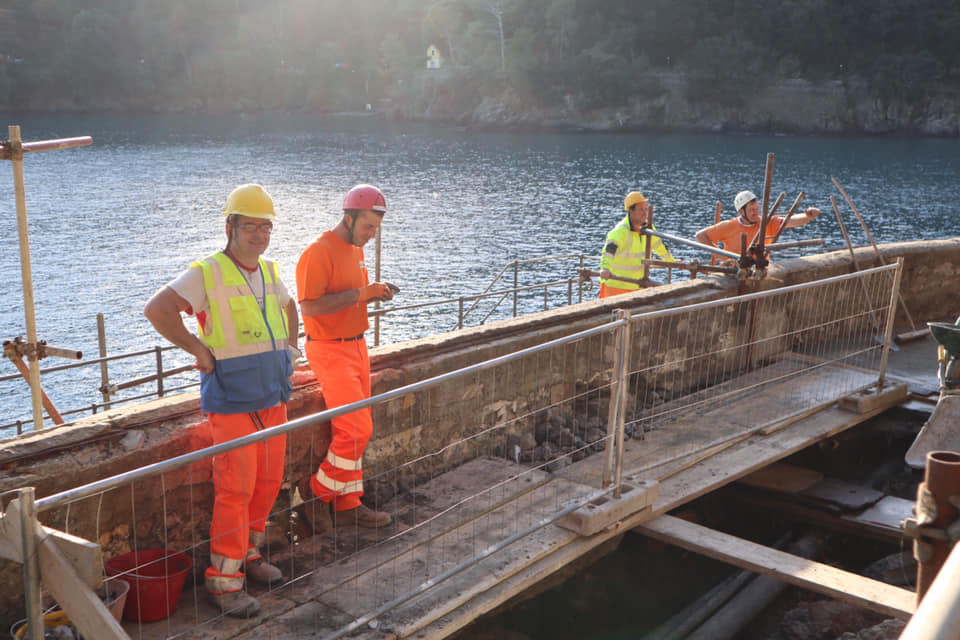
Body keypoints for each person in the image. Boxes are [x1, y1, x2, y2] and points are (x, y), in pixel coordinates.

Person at [143, 183, 299, 618]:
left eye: (265, 226)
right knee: (236, 490)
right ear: (230, 226)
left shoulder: (268, 270)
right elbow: (158, 309)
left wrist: (291, 349)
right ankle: (224, 581)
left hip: (273, 395)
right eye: (250, 226)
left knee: (268, 483)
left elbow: (290, 308)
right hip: (232, 400)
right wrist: (197, 350)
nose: (259, 235)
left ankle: (247, 556)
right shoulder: (207, 272)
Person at [296, 183, 396, 529]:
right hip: (329, 349)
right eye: (368, 226)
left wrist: (374, 294)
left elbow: (351, 294)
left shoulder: (355, 249)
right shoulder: (318, 251)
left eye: (375, 229)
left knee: (351, 427)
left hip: (356, 345)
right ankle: (317, 494)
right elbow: (309, 306)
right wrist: (360, 294)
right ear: (349, 217)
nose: (371, 234)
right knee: (357, 430)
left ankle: (349, 503)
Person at [695, 190, 820, 261]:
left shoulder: (767, 222)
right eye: (751, 209)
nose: (756, 212)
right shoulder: (728, 226)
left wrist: (808, 216)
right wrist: (725, 257)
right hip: (735, 275)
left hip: (760, 271)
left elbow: (792, 220)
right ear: (741, 212)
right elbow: (700, 236)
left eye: (757, 208)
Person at [599, 191, 676, 298]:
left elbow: (660, 247)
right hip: (616, 286)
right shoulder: (620, 231)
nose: (644, 213)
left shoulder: (649, 229)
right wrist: (605, 268)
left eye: (645, 209)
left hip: (637, 286)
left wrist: (672, 262)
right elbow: (609, 251)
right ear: (631, 211)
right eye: (640, 209)